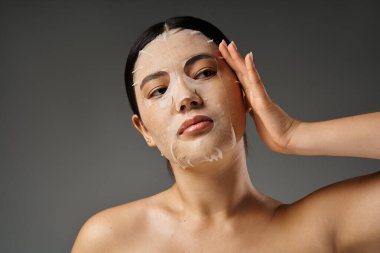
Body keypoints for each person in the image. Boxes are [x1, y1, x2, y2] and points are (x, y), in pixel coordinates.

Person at [71, 16, 380, 252]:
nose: (185, 98)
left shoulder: (319, 228)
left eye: (204, 72)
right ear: (144, 130)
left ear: (245, 92)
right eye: (159, 90)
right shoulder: (110, 240)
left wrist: (293, 134)